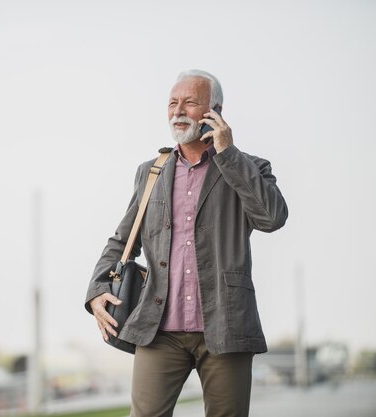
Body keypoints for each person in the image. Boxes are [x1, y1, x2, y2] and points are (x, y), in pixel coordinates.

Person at [84, 69, 288, 417]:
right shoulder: (152, 171)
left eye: (190, 102)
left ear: (216, 111)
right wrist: (97, 287)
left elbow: (272, 218)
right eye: (172, 103)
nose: (178, 111)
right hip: (158, 327)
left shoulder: (248, 166)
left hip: (226, 325)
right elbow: (123, 239)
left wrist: (229, 154)